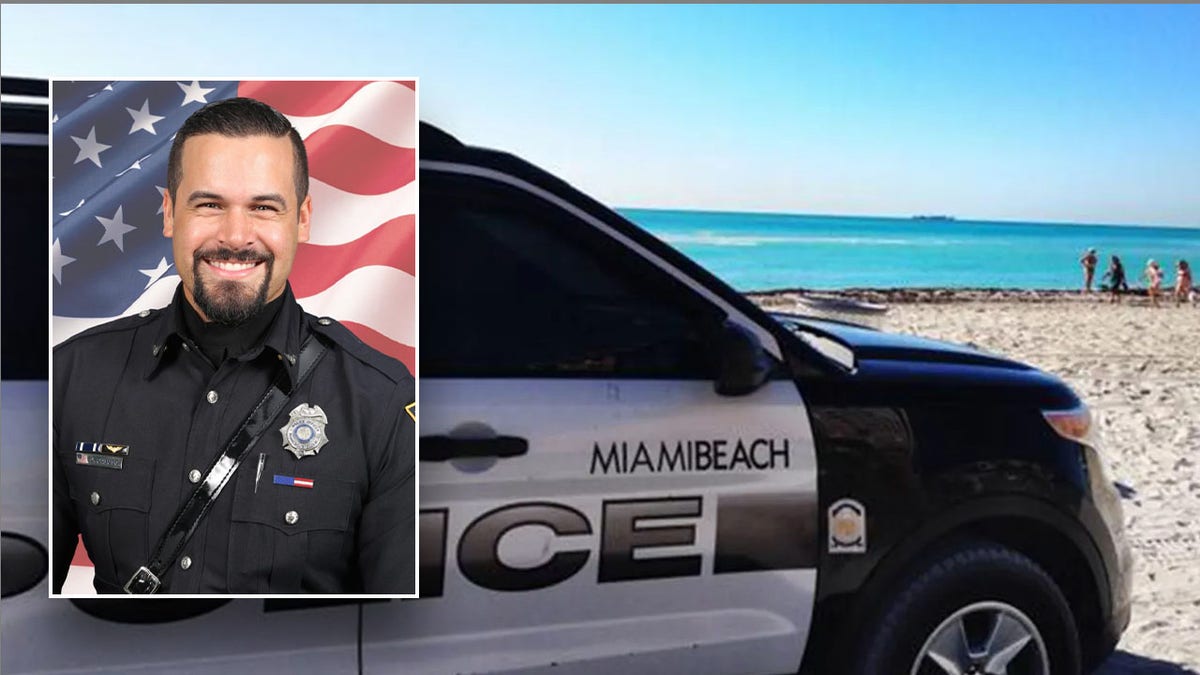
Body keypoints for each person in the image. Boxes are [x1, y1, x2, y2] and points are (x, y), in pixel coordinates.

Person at [52, 98, 415, 595]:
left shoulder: (384, 403)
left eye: (264, 208)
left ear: (302, 219)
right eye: (209, 205)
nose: (236, 236)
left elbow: (397, 629)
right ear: (169, 214)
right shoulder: (72, 377)